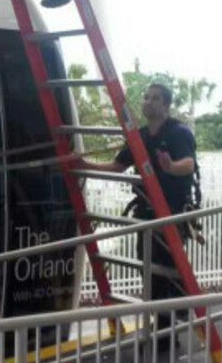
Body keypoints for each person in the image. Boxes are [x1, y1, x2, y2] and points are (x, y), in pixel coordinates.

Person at [77, 83, 197, 349]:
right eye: (146, 96)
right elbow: (118, 165)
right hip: (146, 215)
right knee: (150, 272)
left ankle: (167, 331)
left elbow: (188, 163)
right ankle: (163, 329)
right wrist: (85, 166)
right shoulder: (140, 136)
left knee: (167, 272)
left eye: (154, 98)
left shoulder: (178, 132)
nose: (147, 101)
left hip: (171, 214)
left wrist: (170, 166)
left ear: (166, 105)